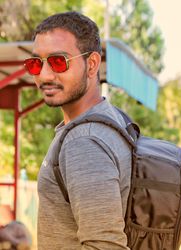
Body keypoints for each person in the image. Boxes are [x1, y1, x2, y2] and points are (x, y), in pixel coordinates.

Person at [24, 11, 131, 250]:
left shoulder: (85, 141)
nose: (44, 75)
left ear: (91, 64)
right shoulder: (114, 121)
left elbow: (105, 246)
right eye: (35, 63)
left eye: (58, 61)